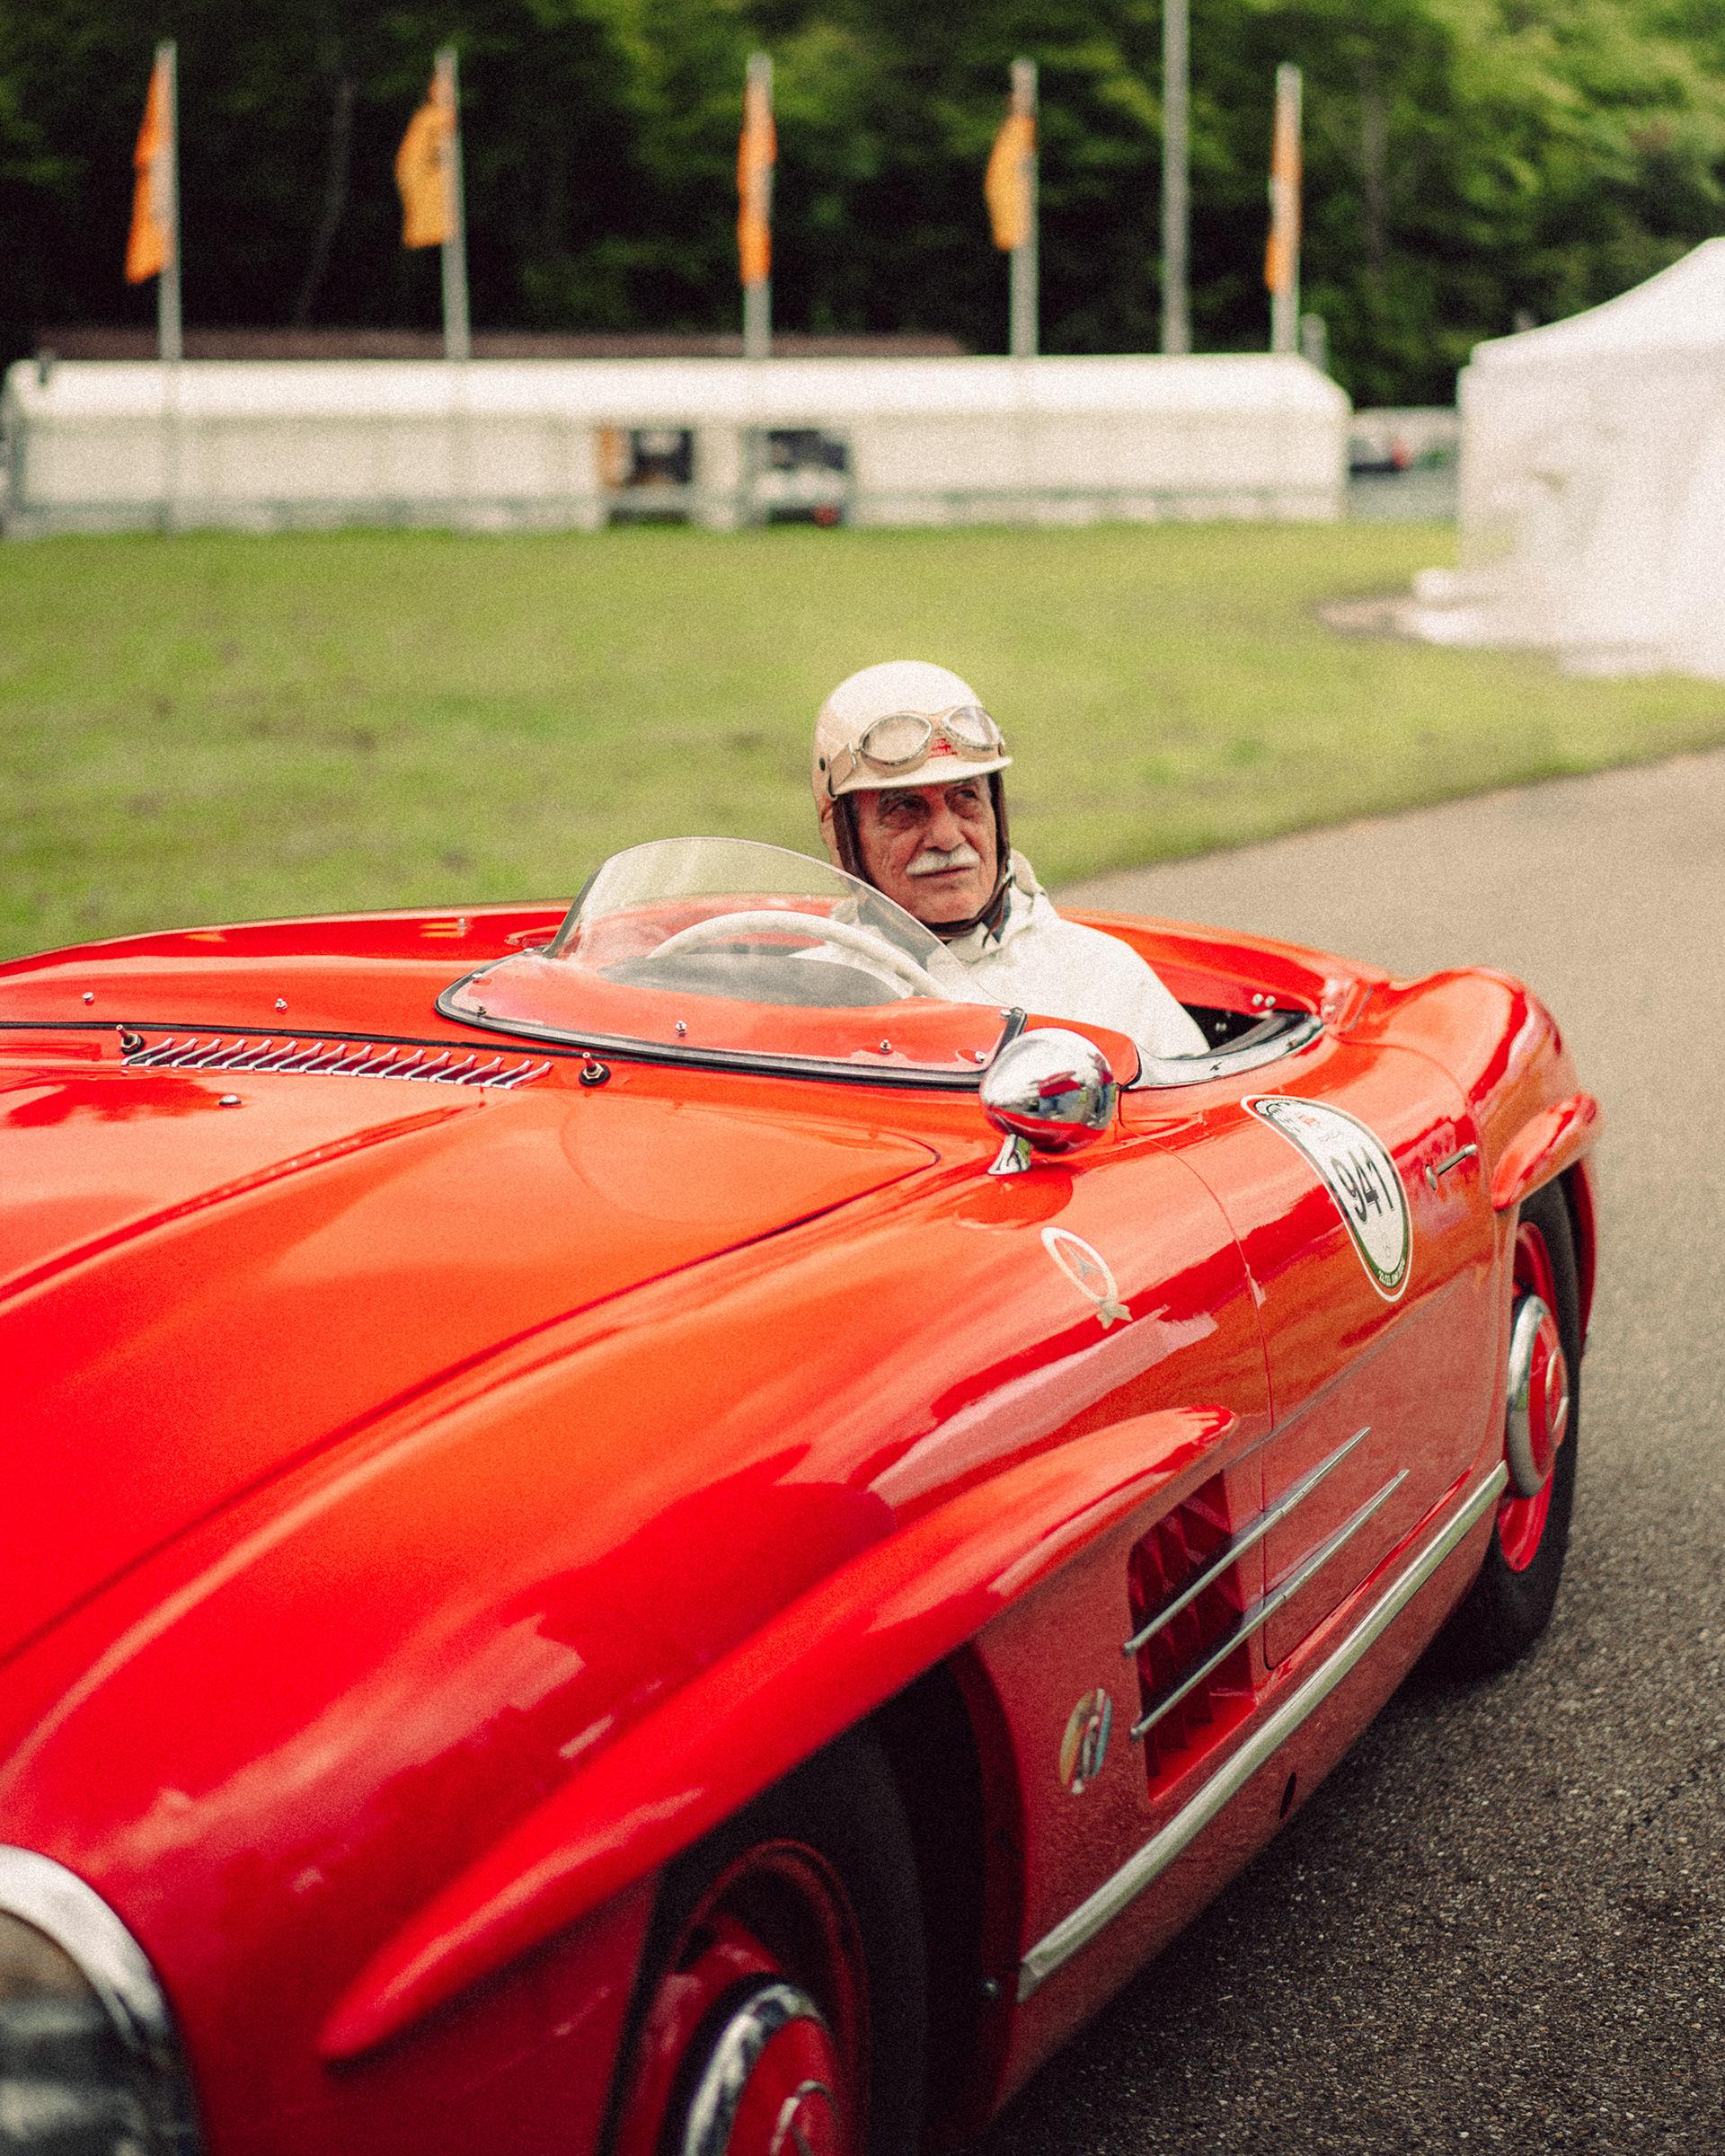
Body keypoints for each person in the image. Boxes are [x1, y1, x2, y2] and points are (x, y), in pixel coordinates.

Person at [811, 659, 1208, 1062]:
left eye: (966, 797)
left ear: (996, 812)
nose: (947, 838)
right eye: (904, 808)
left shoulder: (1105, 979)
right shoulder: (804, 999)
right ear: (843, 836)